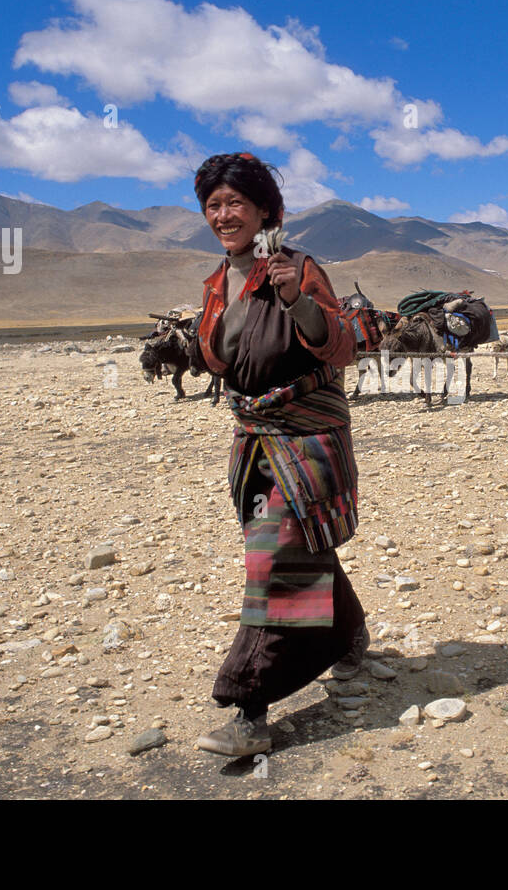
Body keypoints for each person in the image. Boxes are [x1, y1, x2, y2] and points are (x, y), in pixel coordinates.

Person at [191, 152, 367, 757]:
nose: (223, 214)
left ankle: (248, 708)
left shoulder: (297, 268)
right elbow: (218, 362)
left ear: (265, 208)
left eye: (234, 203)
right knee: (296, 541)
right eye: (213, 205)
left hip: (306, 437)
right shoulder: (219, 283)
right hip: (255, 438)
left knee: (274, 560)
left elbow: (341, 348)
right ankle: (348, 635)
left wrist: (299, 304)